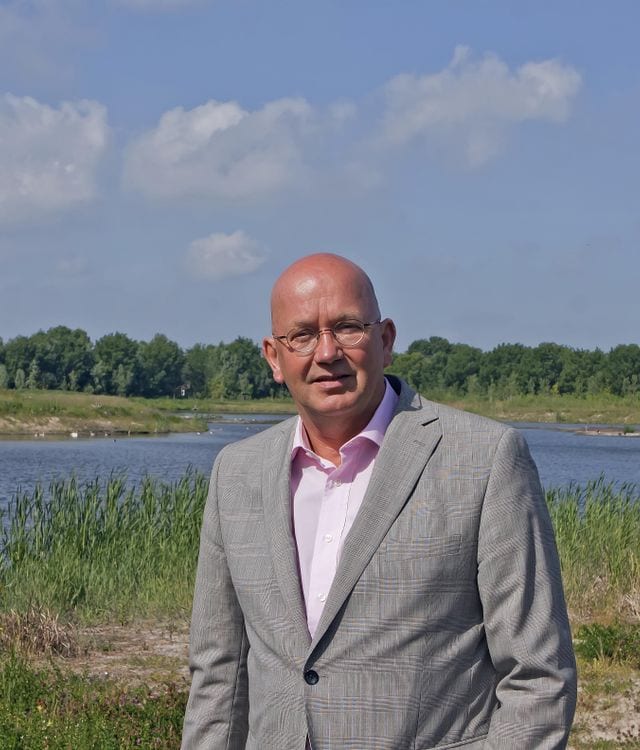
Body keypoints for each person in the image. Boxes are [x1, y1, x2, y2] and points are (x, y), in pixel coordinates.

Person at [181, 253, 577, 750]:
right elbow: (219, 676)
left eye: (348, 328)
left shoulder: (485, 457)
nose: (327, 352)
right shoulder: (236, 472)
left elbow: (539, 677)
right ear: (274, 357)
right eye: (302, 335)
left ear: (385, 340)